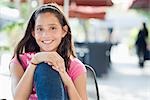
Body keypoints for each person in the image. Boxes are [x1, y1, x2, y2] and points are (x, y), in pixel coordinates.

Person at [9, 3, 87, 100]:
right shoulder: (19, 62)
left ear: (64, 31)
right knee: (44, 68)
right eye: (40, 29)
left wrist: (66, 78)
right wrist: (35, 62)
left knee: (47, 70)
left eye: (53, 28)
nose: (46, 34)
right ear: (33, 33)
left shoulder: (75, 66)